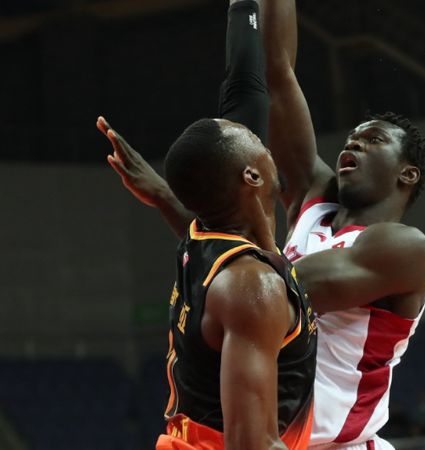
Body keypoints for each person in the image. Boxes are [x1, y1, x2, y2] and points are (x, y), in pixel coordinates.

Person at [100, 0, 425, 448]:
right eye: (351, 137)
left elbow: (270, 289)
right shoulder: (314, 199)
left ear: (406, 174)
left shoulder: (404, 249)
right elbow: (278, 74)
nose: (353, 143)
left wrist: (186, 207)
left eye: (372, 140)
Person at [100, 2, 317, 449]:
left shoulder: (204, 238)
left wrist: (242, 6)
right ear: (251, 177)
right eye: (256, 140)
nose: (265, 139)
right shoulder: (251, 286)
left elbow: (245, 89)